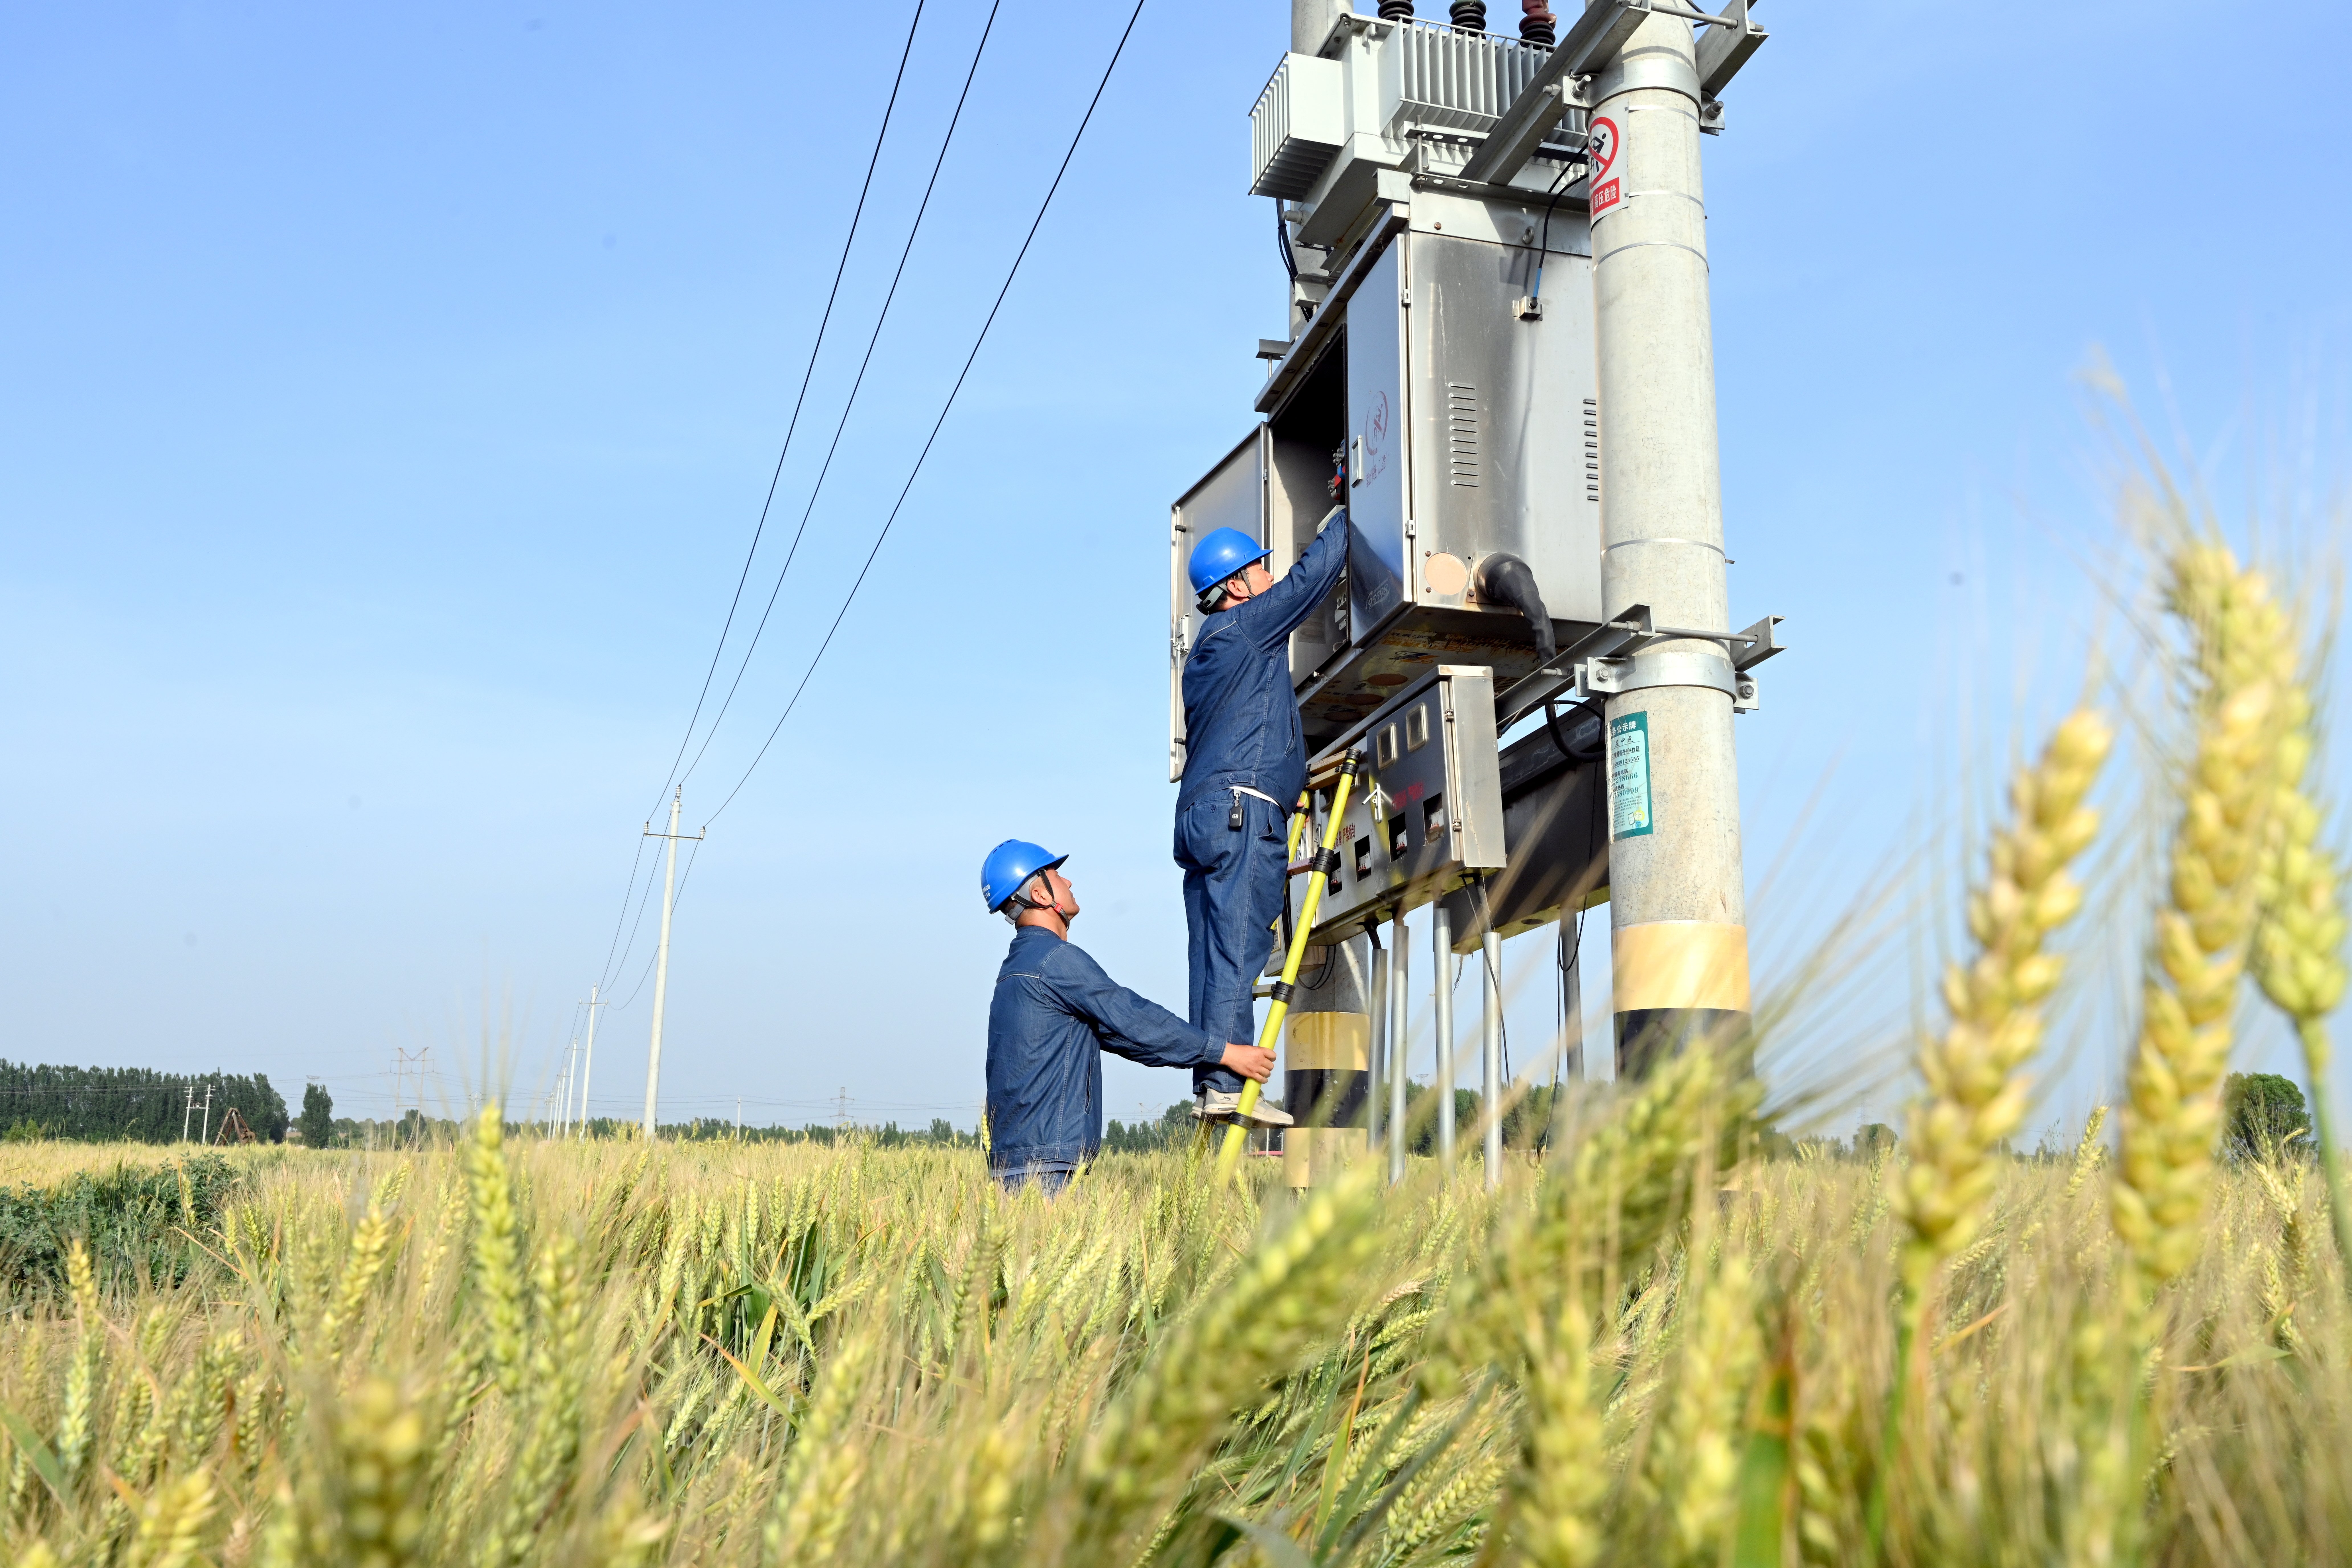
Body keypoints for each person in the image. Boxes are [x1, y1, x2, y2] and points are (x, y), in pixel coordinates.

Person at [1175, 513, 1349, 1121]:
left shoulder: (1210, 650)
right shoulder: (1247, 627)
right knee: (1240, 947)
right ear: (1240, 585)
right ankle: (1228, 1082)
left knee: (1211, 953)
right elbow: (1312, 579)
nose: (1271, 577)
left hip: (1204, 814)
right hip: (1242, 812)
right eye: (1261, 568)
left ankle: (1210, 1080)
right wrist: (1350, 505)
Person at [980, 839, 1275, 1194]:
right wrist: (1227, 1052)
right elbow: (1135, 1018)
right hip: (1048, 1168)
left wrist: (1201, 1056)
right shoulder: (1056, 960)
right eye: (1057, 875)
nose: (1069, 882)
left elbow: (1129, 1038)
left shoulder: (1013, 971)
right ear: (1041, 895)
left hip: (1012, 1166)